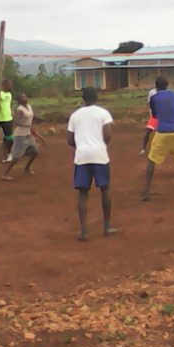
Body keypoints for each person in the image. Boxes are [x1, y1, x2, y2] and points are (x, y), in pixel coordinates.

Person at [67, 87, 116, 241]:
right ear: (97, 97)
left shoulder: (75, 115)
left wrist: (82, 145)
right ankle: (107, 226)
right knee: (104, 190)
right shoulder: (103, 113)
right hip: (100, 155)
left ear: (83, 98)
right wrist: (98, 144)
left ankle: (83, 231)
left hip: (82, 156)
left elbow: (69, 139)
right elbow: (107, 135)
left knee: (82, 193)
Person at [142, 76, 174, 201]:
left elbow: (154, 115)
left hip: (162, 132)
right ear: (167, 85)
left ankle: (146, 192)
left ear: (156, 86)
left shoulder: (154, 98)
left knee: (152, 160)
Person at [1, 93, 47, 181]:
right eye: (22, 97)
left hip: (28, 133)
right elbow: (16, 122)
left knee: (35, 151)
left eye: (25, 96)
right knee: (17, 156)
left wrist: (39, 119)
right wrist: (26, 126)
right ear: (19, 101)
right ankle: (5, 173)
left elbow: (31, 116)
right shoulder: (19, 110)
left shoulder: (29, 106)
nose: (24, 98)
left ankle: (26, 168)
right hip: (20, 135)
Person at [0, 79, 15, 163]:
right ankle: (9, 154)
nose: (11, 86)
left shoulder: (9, 94)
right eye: (9, 84)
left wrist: (12, 113)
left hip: (9, 117)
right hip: (2, 118)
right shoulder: (0, 94)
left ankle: (9, 154)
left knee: (8, 136)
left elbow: (10, 105)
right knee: (8, 137)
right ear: (4, 85)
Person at [138, 87, 158, 156]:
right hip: (154, 117)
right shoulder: (152, 92)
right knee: (148, 132)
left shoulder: (165, 92)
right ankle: (143, 148)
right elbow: (149, 104)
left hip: (162, 117)